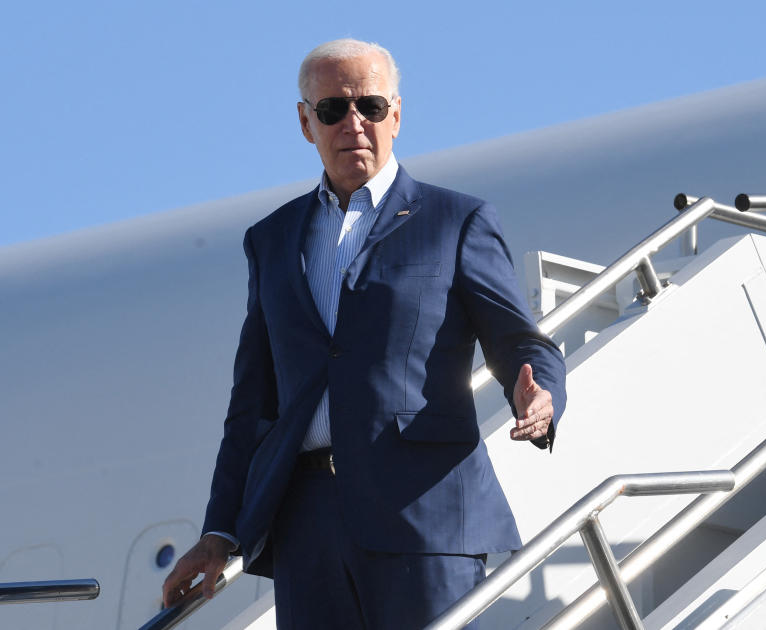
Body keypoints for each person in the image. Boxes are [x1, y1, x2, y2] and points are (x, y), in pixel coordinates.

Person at [162, 38, 566, 629]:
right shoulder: (271, 241)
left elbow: (519, 341)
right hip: (306, 525)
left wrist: (541, 394)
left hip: (423, 512)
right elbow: (252, 404)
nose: (353, 122)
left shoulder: (456, 221)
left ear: (396, 115)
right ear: (306, 123)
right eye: (333, 109)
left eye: (370, 107)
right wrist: (220, 530)